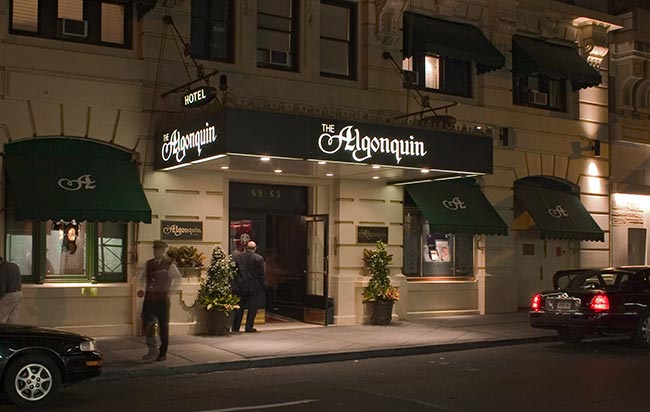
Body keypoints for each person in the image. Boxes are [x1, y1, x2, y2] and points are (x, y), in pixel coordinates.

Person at [141, 240, 181, 361]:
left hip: (162, 300)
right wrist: (141, 290)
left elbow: (178, 278)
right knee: (148, 326)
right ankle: (152, 350)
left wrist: (170, 293)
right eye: (155, 249)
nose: (156, 252)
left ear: (163, 251)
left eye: (158, 249)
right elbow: (141, 278)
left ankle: (162, 353)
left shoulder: (169, 265)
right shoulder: (148, 264)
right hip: (149, 299)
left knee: (163, 327)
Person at [232, 241, 266, 333]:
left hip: (241, 285)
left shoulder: (238, 257)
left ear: (246, 248)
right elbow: (261, 274)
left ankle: (235, 327)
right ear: (255, 248)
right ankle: (249, 327)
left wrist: (236, 283)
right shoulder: (259, 258)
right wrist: (263, 285)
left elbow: (234, 271)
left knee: (239, 307)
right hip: (255, 286)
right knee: (252, 307)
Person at [0, 256, 22, 324]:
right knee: (12, 320)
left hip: (8, 295)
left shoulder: (2, 269)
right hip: (19, 294)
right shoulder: (14, 266)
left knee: (1, 317)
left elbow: (1, 288)